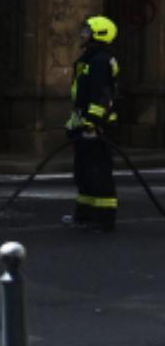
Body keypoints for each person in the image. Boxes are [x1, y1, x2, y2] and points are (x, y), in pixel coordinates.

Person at [64, 16, 120, 233]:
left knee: (99, 171)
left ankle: (104, 219)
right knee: (84, 170)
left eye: (87, 31)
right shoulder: (90, 58)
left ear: (99, 34)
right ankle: (85, 214)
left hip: (98, 126)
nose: (83, 35)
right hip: (85, 123)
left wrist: (93, 121)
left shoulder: (101, 61)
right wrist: (74, 123)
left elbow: (102, 95)